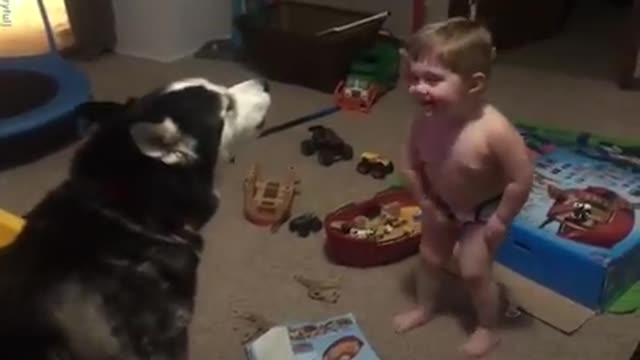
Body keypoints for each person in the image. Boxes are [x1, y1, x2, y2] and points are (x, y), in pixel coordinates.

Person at [391, 17, 534, 358]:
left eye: (433, 79)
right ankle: (425, 306)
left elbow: (521, 178)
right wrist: (426, 202)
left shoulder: (494, 130)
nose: (418, 88)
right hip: (440, 203)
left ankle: (488, 328)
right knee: (429, 258)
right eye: (414, 77)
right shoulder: (423, 120)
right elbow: (409, 163)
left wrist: (501, 220)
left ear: (475, 84)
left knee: (473, 272)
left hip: (483, 214)